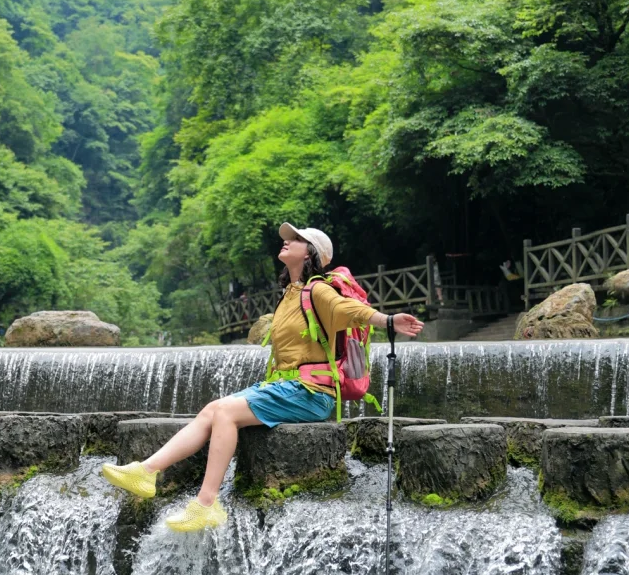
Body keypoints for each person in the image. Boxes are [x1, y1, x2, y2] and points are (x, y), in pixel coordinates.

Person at [101, 222, 425, 531]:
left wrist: (389, 320)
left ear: (310, 253)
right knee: (212, 409)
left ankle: (206, 503)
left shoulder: (318, 290)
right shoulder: (290, 294)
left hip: (311, 392)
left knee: (226, 413)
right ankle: (146, 472)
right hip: (285, 386)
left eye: (296, 239)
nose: (287, 240)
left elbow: (350, 311)